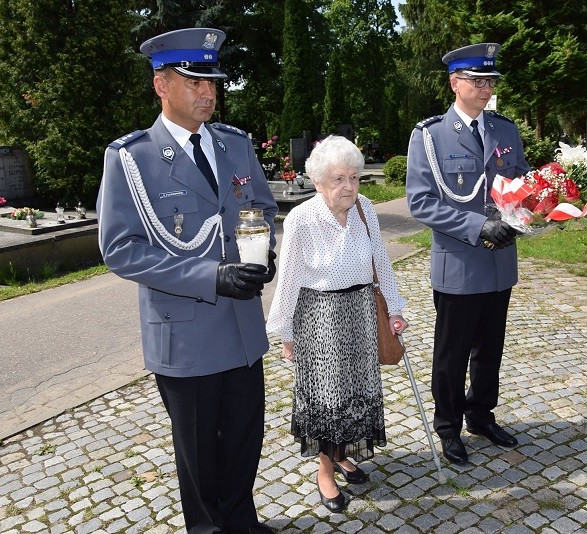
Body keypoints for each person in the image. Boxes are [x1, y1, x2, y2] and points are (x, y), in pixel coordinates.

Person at [97, 28, 277, 534]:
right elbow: (120, 249)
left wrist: (268, 250)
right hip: (186, 330)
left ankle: (241, 520)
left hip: (242, 325)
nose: (208, 93)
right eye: (193, 81)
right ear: (161, 85)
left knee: (244, 435)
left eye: (212, 82)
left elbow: (261, 208)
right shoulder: (133, 158)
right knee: (199, 450)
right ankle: (208, 529)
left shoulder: (235, 145)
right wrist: (209, 276)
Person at [266, 135, 408, 513]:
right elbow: (290, 277)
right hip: (320, 317)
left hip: (361, 310)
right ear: (318, 182)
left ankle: (342, 457)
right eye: (338, 179)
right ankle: (324, 473)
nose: (348, 187)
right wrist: (285, 332)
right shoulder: (301, 218)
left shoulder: (366, 209)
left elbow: (382, 262)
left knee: (356, 393)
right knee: (330, 402)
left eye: (354, 177)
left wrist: (394, 308)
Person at [405, 43, 531, 465]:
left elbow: (522, 185)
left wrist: (535, 210)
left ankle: (480, 414)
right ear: (454, 83)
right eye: (477, 80)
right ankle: (448, 427)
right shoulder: (430, 134)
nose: (486, 88)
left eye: (491, 81)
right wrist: (479, 227)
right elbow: (421, 202)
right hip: (459, 264)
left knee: (490, 348)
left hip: (499, 265)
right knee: (452, 354)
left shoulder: (505, 130)